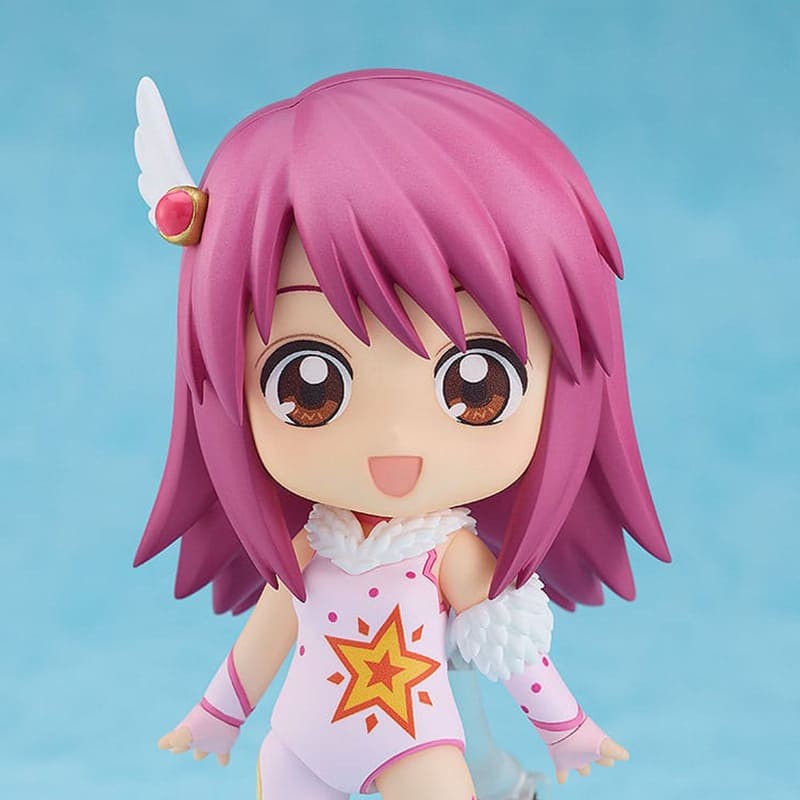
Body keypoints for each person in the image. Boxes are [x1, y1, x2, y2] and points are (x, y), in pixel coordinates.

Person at [133, 69, 669, 800]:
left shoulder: (445, 555)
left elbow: (509, 648)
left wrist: (565, 728)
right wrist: (217, 718)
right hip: (297, 745)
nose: (393, 437)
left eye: (475, 385)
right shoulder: (311, 549)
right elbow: (268, 633)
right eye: (309, 386)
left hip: (414, 744)